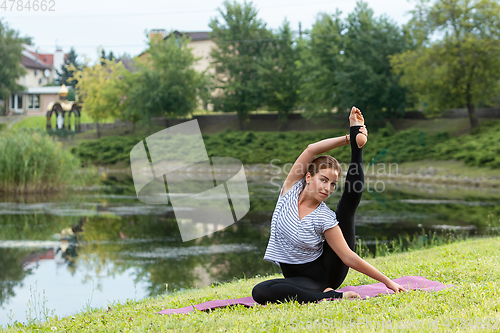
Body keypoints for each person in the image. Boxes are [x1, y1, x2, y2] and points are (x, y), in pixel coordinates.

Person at [252, 106, 408, 304]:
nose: (328, 188)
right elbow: (311, 150)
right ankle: (327, 296)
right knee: (261, 291)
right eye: (323, 180)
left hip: (326, 275)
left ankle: (357, 150)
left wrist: (388, 282)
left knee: (346, 209)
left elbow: (348, 258)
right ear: (308, 176)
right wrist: (346, 137)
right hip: (298, 278)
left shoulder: (324, 217)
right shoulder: (289, 191)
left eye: (333, 183)